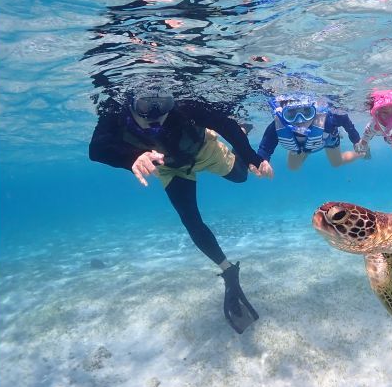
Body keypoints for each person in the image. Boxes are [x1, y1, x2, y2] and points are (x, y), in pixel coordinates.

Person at [88, 80, 272, 334]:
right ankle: (227, 270)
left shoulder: (185, 105)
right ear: (129, 101)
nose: (156, 114)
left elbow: (224, 124)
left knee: (241, 177)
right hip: (168, 167)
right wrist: (130, 157)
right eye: (145, 104)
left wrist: (252, 157)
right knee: (190, 219)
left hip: (204, 149)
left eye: (163, 104)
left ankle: (243, 140)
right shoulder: (113, 111)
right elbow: (96, 149)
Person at [256, 93, 365, 171]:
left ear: (315, 111)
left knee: (337, 162)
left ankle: (361, 154)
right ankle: (305, 149)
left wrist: (356, 141)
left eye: (306, 112)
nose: (300, 120)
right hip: (300, 146)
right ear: (283, 115)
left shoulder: (327, 120)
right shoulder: (278, 125)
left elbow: (344, 119)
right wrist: (263, 160)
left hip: (326, 139)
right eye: (291, 114)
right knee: (293, 167)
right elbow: (265, 147)